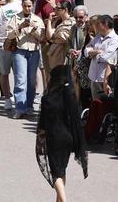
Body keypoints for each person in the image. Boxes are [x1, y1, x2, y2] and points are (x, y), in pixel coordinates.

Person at [36, 65, 88, 202]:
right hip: (68, 138)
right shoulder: (70, 96)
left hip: (53, 139)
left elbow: (42, 124)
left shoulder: (47, 99)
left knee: (55, 173)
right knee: (62, 170)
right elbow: (75, 118)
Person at [6, 0, 44, 119]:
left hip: (33, 52)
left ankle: (29, 106)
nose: (27, 8)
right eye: (25, 6)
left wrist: (34, 29)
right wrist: (20, 28)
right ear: (21, 6)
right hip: (19, 51)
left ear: (32, 6)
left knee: (31, 81)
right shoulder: (15, 18)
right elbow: (9, 35)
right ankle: (20, 108)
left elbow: (42, 37)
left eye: (29, 6)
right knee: (20, 81)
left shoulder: (37, 19)